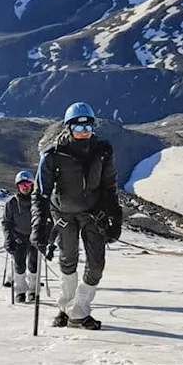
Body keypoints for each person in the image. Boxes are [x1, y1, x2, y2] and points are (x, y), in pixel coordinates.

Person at [32, 102, 121, 330]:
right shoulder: (52, 155)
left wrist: (115, 219)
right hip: (63, 214)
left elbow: (109, 187)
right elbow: (40, 194)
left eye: (88, 128)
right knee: (67, 260)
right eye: (79, 128)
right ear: (68, 128)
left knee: (96, 265)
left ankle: (77, 309)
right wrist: (39, 226)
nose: (84, 133)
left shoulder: (102, 152)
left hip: (92, 214)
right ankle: (68, 309)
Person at [3, 171, 39, 303]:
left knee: (34, 264)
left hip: (35, 236)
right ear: (18, 186)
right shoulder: (11, 202)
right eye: (22, 184)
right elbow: (7, 222)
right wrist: (9, 238)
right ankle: (20, 291)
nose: (25, 187)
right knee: (19, 265)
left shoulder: (37, 201)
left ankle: (33, 290)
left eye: (28, 183)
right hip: (19, 236)